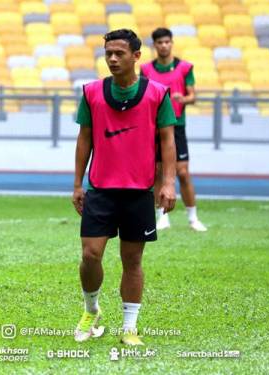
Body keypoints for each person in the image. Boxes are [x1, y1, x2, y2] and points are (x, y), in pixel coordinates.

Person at [72, 29, 177, 346]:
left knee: (132, 261)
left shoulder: (158, 93)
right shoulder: (91, 92)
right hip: (101, 189)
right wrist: (78, 183)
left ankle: (129, 327)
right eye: (108, 54)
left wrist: (168, 183)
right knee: (90, 256)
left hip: (138, 192)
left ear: (136, 56)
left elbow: (167, 140)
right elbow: (84, 139)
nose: (113, 59)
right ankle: (91, 310)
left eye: (119, 53)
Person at [140, 27, 207, 232]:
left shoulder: (185, 68)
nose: (164, 45)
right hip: (154, 127)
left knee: (183, 172)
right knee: (157, 171)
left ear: (171, 43)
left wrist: (182, 98)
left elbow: (192, 96)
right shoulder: (146, 69)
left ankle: (193, 217)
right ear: (155, 45)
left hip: (176, 125)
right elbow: (142, 94)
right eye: (160, 42)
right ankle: (162, 217)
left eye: (167, 42)